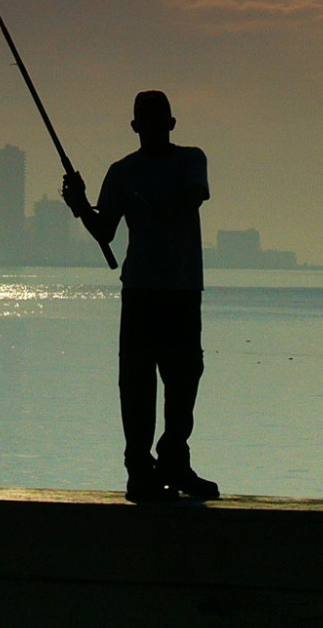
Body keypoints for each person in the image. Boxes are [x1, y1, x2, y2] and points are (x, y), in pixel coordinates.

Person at [62, 90, 220, 502]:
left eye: (157, 121)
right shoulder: (120, 173)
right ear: (136, 127)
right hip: (141, 292)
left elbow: (196, 193)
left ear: (171, 124)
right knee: (136, 385)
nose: (151, 128)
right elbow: (105, 231)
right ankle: (139, 471)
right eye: (144, 122)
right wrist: (80, 206)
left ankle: (173, 460)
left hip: (182, 290)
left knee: (184, 379)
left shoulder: (191, 159)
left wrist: (174, 209)